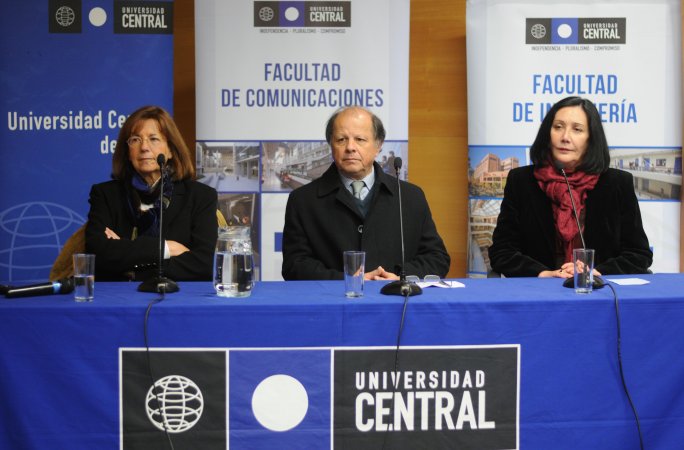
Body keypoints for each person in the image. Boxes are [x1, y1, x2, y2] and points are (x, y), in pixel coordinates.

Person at [489, 96, 652, 278]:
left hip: (599, 292)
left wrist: (595, 273)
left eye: (577, 129)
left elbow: (638, 254)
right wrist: (546, 274)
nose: (565, 137)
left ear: (591, 138)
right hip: (538, 291)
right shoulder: (521, 181)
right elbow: (502, 251)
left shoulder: (617, 184)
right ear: (547, 133)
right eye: (558, 127)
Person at [282, 106, 450, 280]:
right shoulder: (302, 201)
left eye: (360, 139)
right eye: (341, 139)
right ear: (330, 144)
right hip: (334, 303)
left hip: (396, 302)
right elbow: (294, 265)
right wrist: (348, 280)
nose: (350, 147)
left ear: (378, 146)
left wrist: (400, 277)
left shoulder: (410, 197)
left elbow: (437, 258)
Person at [85, 106, 218, 281]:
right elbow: (97, 257)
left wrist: (131, 268)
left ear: (170, 150)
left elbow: (204, 264)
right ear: (127, 151)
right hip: (118, 300)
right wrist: (166, 249)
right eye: (135, 139)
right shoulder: (105, 194)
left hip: (178, 300)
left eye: (154, 139)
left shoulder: (200, 196)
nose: (144, 147)